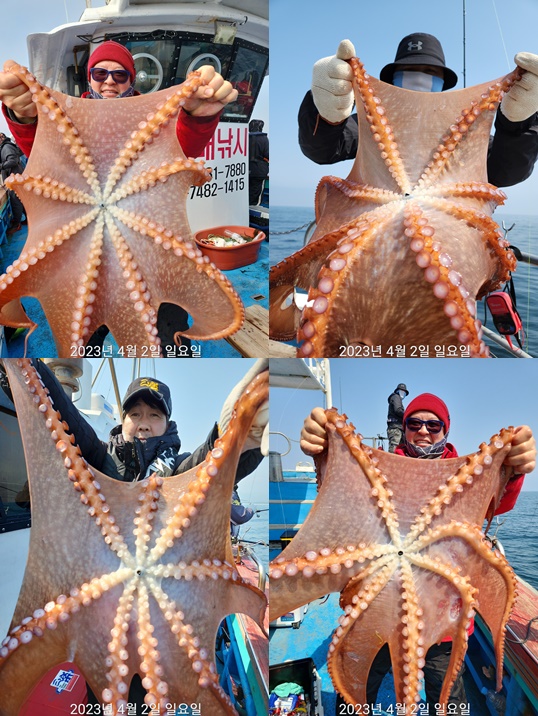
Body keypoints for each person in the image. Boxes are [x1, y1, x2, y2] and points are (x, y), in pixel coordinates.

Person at [2, 357, 268, 705]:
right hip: (104, 622)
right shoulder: (99, 461)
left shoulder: (179, 471)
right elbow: (67, 417)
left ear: (167, 423)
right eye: (135, 414)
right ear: (123, 419)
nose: (144, 423)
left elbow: (211, 462)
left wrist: (238, 435)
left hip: (162, 623)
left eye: (154, 415)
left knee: (154, 695)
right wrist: (25, 364)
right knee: (101, 693)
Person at [300, 393, 536, 709]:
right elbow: (341, 493)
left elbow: (500, 499)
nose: (423, 430)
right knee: (356, 692)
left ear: (445, 430)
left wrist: (515, 469)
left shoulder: (466, 479)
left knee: (448, 699)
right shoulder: (380, 471)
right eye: (414, 423)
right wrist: (323, 450)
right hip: (379, 611)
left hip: (445, 622)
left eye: (433, 425)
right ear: (405, 428)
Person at [0, 40, 238, 353]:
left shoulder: (154, 120)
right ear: (89, 78)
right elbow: (46, 157)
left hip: (152, 252)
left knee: (166, 336)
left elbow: (180, 149)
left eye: (120, 74)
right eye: (100, 73)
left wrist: (199, 118)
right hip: (83, 257)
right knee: (86, 338)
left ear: (132, 79)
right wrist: (25, 116)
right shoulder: (67, 118)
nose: (109, 81)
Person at [299, 33, 538, 188]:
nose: (420, 79)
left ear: (443, 83)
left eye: (430, 72)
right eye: (409, 71)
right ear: (393, 80)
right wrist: (326, 115)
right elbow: (324, 150)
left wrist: (517, 125)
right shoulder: (373, 125)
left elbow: (505, 172)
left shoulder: (465, 133)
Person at [0, 132, 25, 236]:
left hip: (14, 178)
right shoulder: (5, 147)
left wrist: (1, 166)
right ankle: (26, 219)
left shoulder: (6, 147)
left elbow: (13, 161)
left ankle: (17, 224)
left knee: (15, 201)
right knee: (21, 199)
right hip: (14, 177)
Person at [249, 118, 269, 205]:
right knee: (254, 195)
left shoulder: (244, 138)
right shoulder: (264, 139)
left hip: (245, 170)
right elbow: (268, 154)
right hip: (259, 171)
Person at [386, 382, 409, 453]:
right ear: (397, 391)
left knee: (400, 448)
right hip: (395, 428)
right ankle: (391, 460)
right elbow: (398, 410)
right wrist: (408, 415)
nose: (403, 394)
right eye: (401, 391)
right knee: (394, 448)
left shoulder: (397, 399)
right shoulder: (396, 397)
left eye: (404, 393)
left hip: (398, 427)